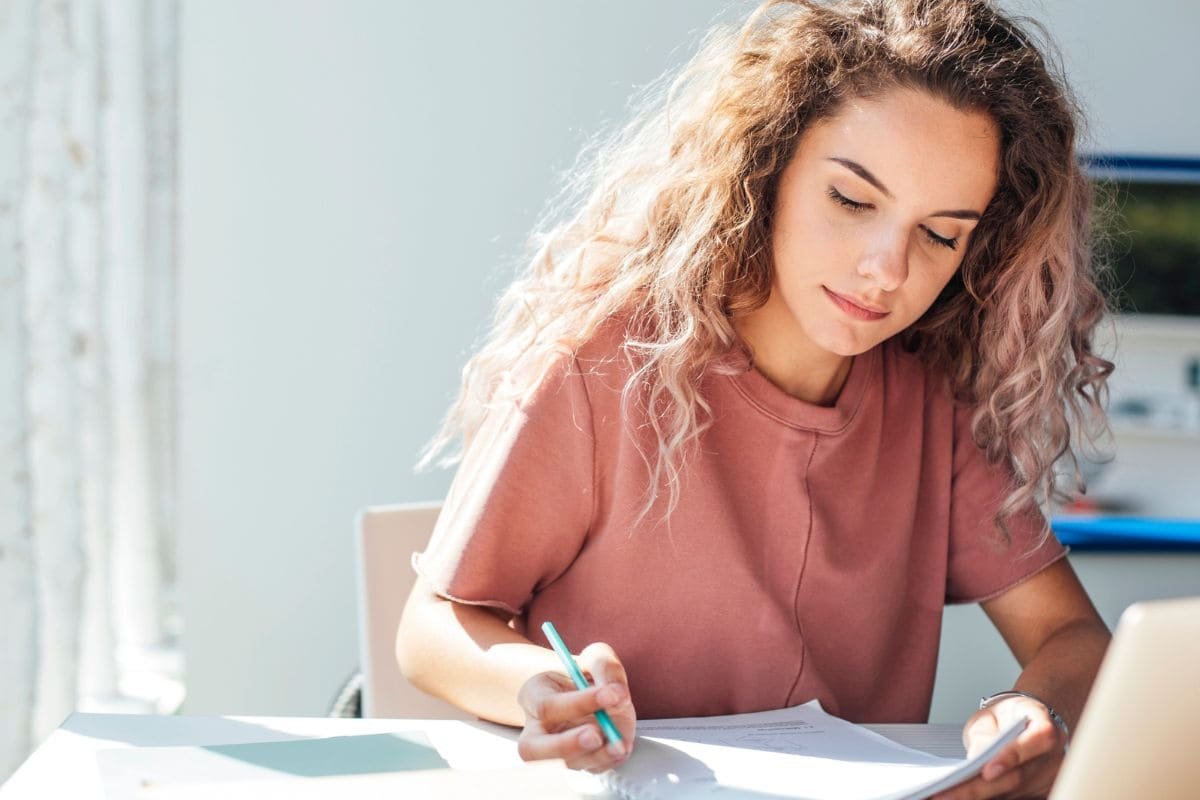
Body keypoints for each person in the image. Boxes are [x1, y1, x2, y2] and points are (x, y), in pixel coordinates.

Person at [398, 1, 1115, 797]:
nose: (887, 267)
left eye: (939, 234)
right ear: (766, 167)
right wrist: (538, 686)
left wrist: (1027, 713)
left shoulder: (931, 404)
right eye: (852, 199)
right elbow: (432, 629)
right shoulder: (604, 366)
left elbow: (1072, 635)